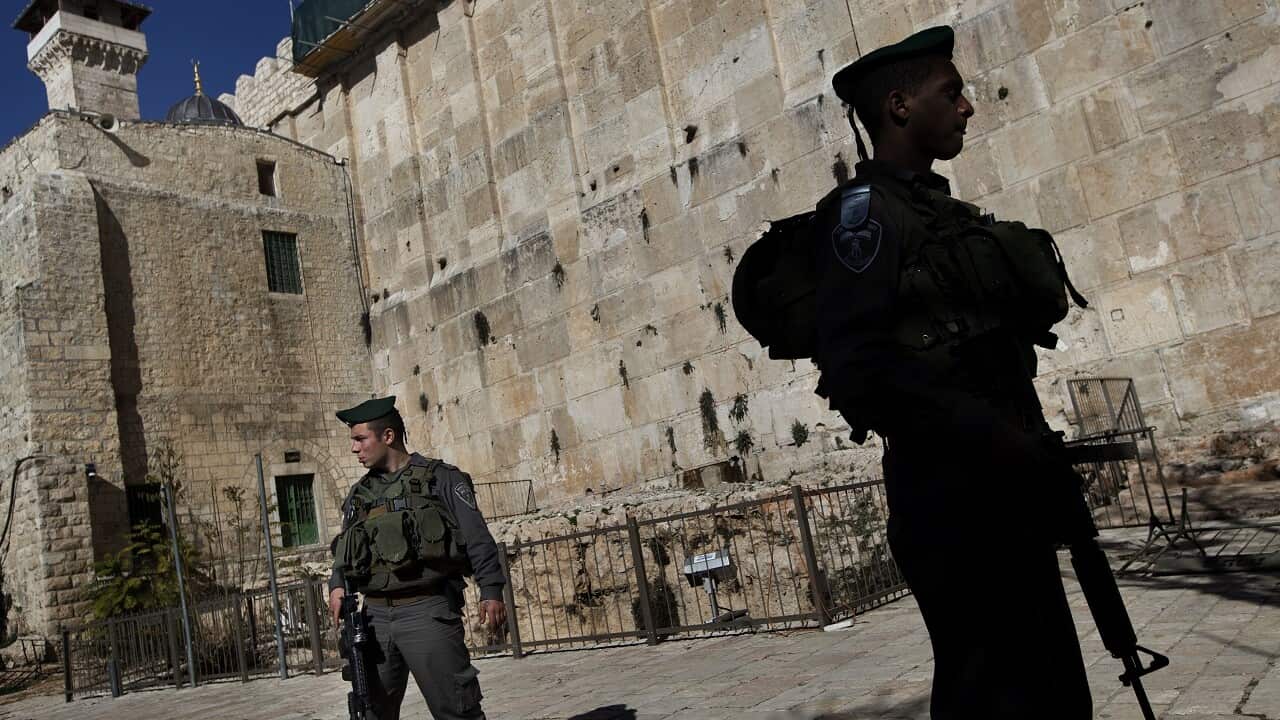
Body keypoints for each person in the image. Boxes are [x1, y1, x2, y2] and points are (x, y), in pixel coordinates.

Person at [812, 26, 1092, 719]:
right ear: (900, 106)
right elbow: (856, 366)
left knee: (1053, 690)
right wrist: (988, 436)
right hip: (953, 504)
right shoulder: (863, 217)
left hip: (1003, 489)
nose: (967, 106)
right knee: (991, 694)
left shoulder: (935, 212)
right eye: (951, 92)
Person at [328, 396, 507, 720]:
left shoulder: (442, 479)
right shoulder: (359, 495)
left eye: (360, 439)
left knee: (457, 710)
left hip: (427, 610)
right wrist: (337, 585)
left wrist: (491, 590)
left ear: (388, 436)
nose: (354, 448)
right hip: (374, 619)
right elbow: (344, 550)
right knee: (371, 712)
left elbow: (478, 537)